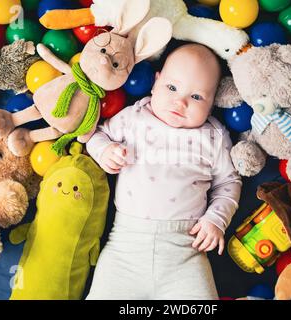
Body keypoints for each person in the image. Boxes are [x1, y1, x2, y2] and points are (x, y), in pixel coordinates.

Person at [86, 44, 242, 299]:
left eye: (196, 97)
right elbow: (96, 135)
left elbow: (229, 183)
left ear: (212, 104)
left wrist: (216, 219)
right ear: (155, 83)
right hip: (124, 250)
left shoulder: (213, 136)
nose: (180, 102)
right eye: (171, 88)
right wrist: (105, 151)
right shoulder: (134, 117)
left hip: (185, 253)